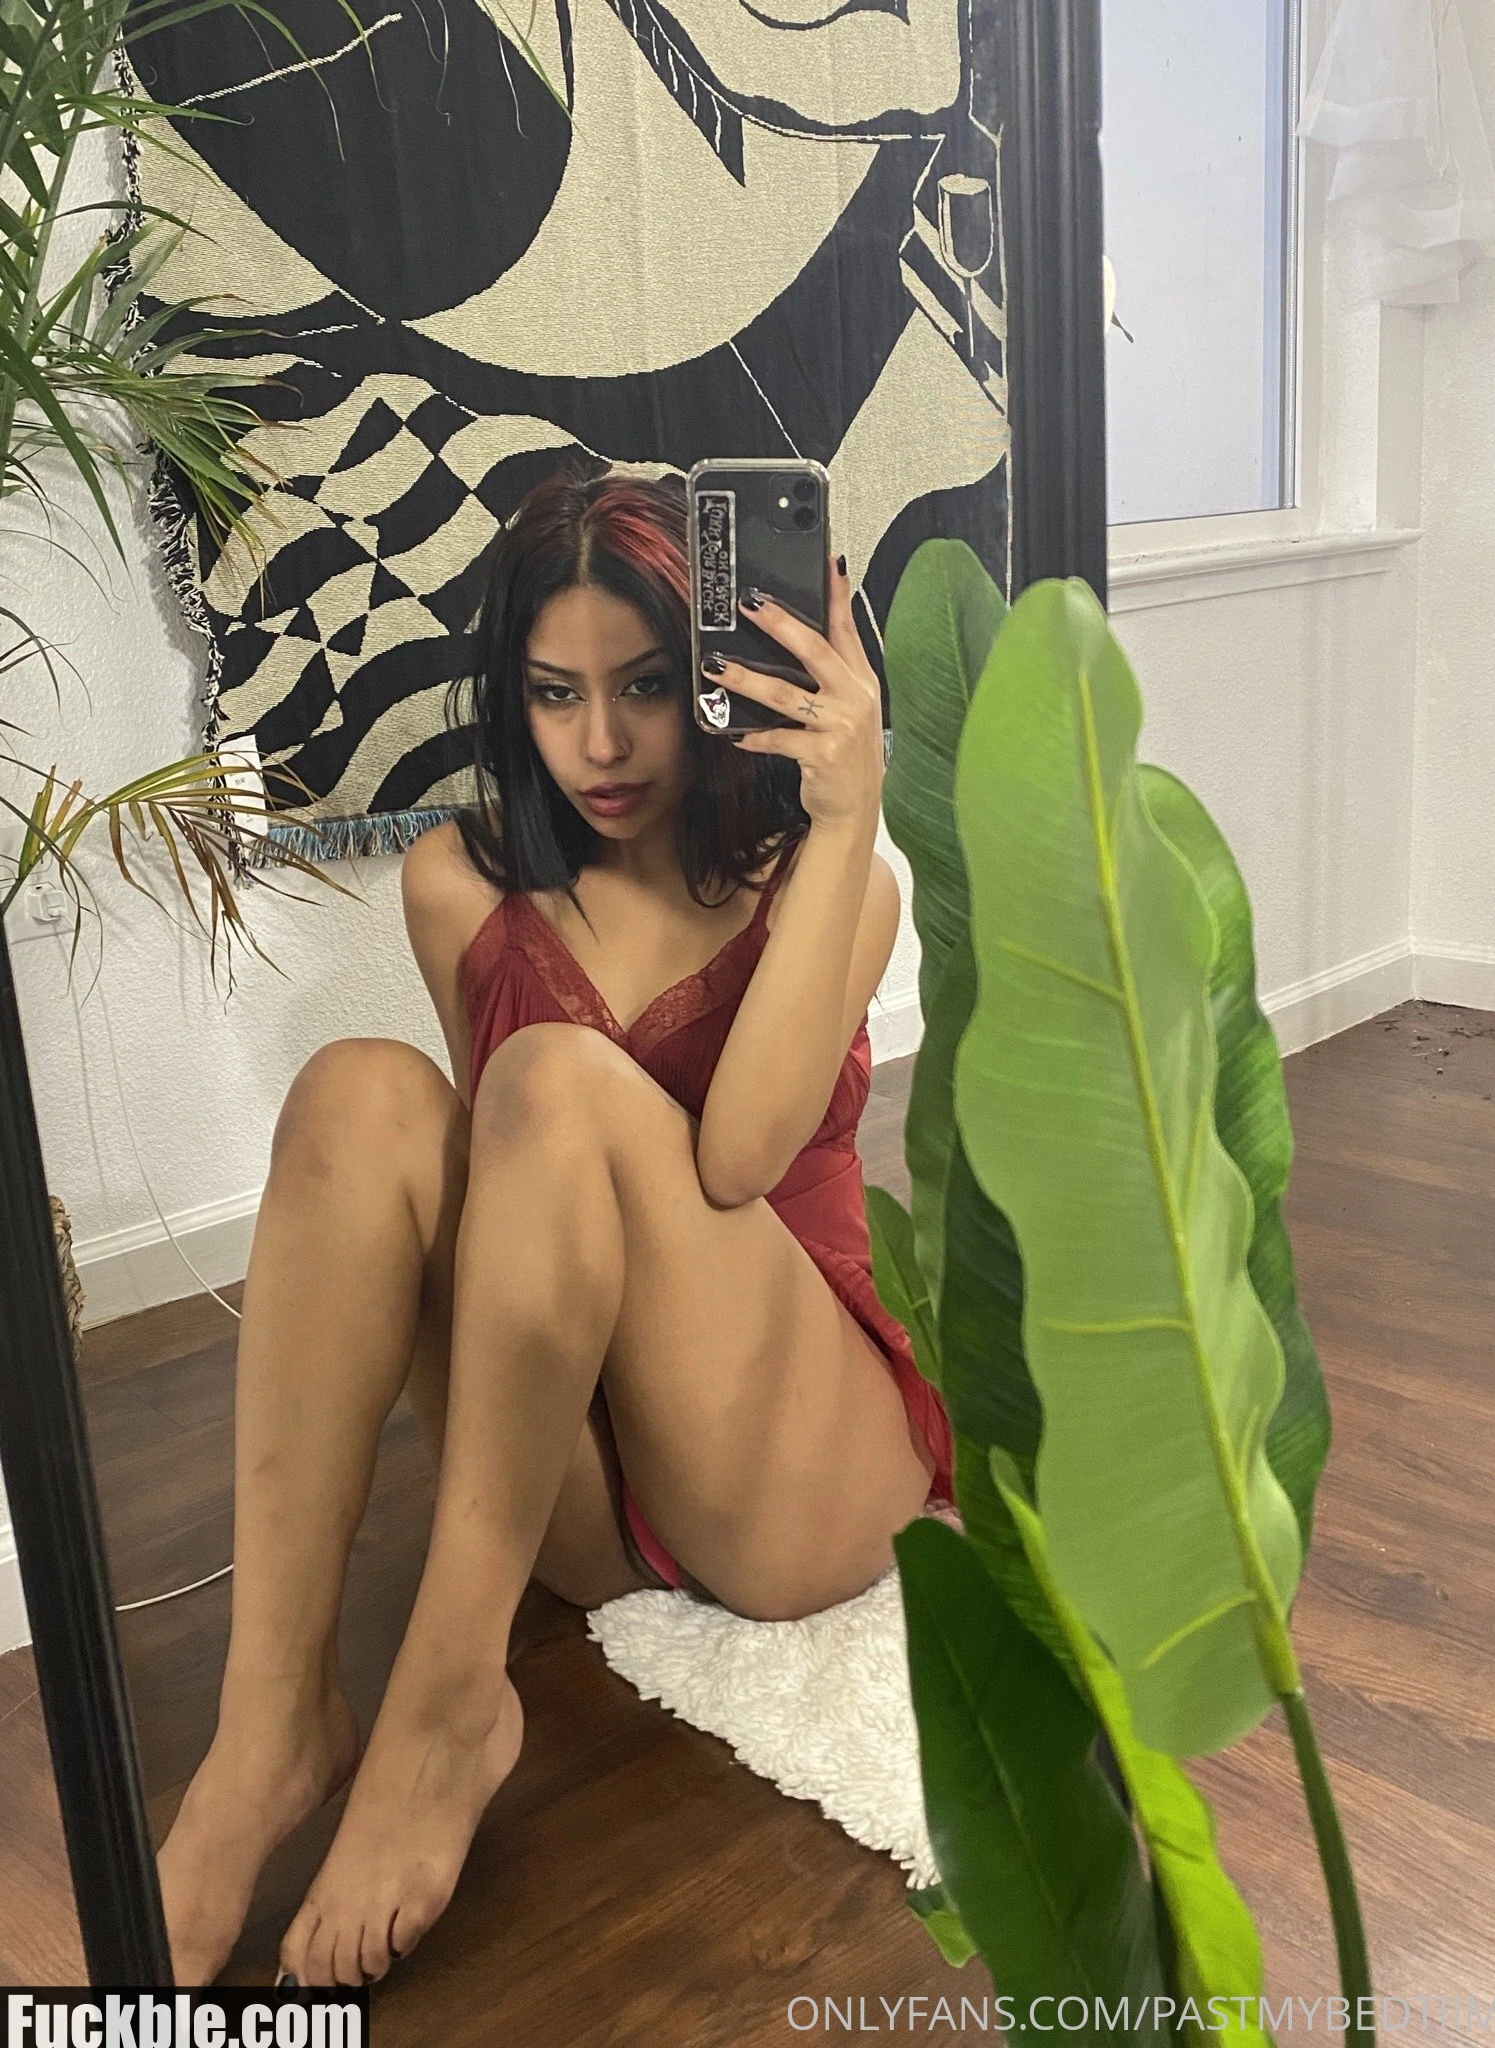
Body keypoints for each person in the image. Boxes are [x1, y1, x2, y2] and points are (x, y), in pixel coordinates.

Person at [152, 460, 956, 1989]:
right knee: (358, 1094)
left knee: (558, 1081)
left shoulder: (838, 882)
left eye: (644, 686)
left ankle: (448, 1702)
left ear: (714, 671)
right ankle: (269, 1732)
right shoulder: (461, 882)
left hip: (798, 1470)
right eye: (553, 692)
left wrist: (849, 810)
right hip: (597, 1496)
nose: (598, 744)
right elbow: (513, 1218)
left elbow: (739, 1157)